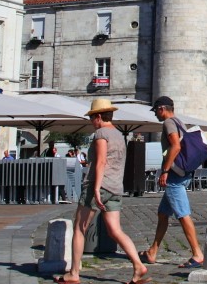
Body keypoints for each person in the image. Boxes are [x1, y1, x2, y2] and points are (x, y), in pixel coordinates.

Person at [58, 98, 147, 284]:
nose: (91, 122)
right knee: (115, 230)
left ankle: (74, 273)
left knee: (79, 228)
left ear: (98, 116)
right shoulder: (119, 135)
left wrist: (96, 188)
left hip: (98, 186)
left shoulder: (101, 134)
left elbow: (100, 162)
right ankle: (138, 265)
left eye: (92, 118)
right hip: (115, 187)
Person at [140, 96, 204, 269]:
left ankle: (197, 254)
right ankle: (152, 251)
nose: (156, 115)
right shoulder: (179, 122)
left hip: (174, 176)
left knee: (182, 214)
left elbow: (175, 146)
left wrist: (165, 170)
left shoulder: (168, 123)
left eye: (156, 111)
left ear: (162, 108)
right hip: (182, 172)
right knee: (163, 214)